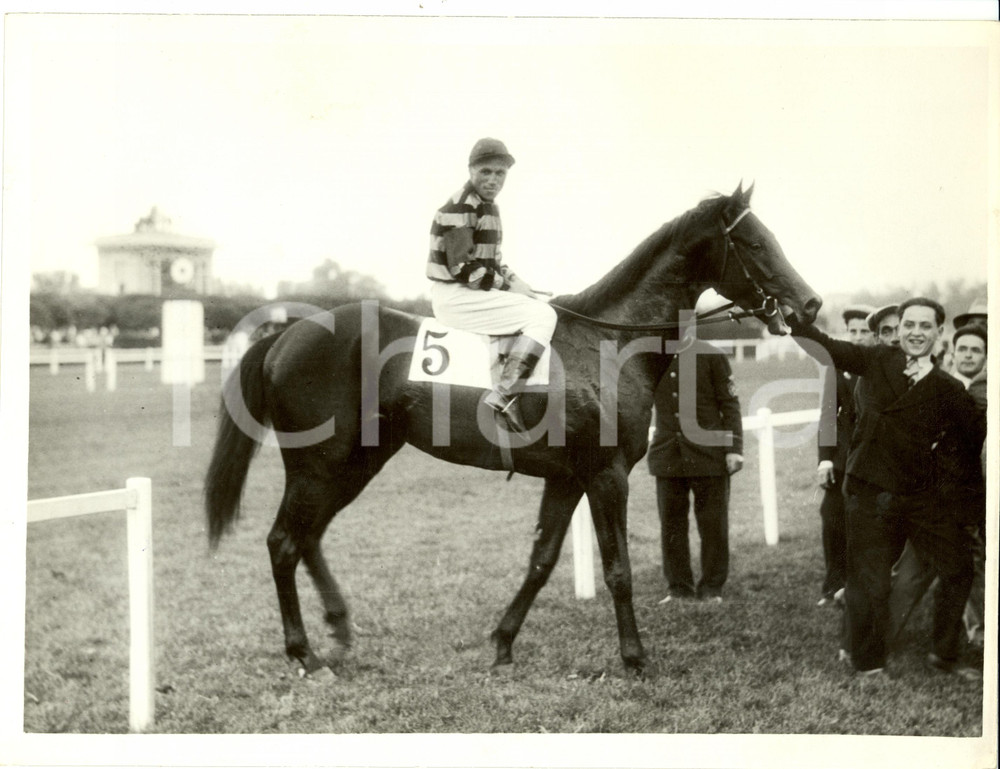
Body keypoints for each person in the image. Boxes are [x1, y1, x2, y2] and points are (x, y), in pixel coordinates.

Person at [790, 297, 984, 676]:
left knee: (959, 566)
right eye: (909, 324)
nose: (915, 333)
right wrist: (793, 322)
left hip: (919, 497)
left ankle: (944, 653)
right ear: (900, 330)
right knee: (871, 581)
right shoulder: (876, 360)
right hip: (869, 491)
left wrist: (964, 504)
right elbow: (827, 347)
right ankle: (867, 662)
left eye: (925, 326)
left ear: (938, 333)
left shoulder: (949, 389)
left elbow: (971, 443)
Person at [427, 138, 558, 434]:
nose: (493, 180)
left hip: (470, 292)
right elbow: (463, 268)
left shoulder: (488, 207)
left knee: (540, 307)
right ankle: (504, 395)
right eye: (486, 172)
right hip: (455, 296)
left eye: (500, 174)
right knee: (543, 317)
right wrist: (507, 287)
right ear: (471, 169)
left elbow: (492, 263)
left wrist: (517, 282)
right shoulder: (459, 206)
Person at [888, 323, 987, 653]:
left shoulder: (988, 391)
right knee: (917, 572)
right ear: (953, 353)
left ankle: (961, 640)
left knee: (959, 572)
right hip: (934, 500)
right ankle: (878, 636)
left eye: (976, 350)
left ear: (986, 357)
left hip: (969, 501)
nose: (969, 355)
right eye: (964, 349)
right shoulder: (939, 387)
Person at [647, 332, 743, 603]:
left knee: (713, 525)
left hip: (709, 455)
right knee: (671, 525)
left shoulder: (711, 355)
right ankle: (678, 589)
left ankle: (712, 587)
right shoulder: (655, 357)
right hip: (668, 455)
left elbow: (730, 405)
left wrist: (734, 449)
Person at [815, 305, 874, 607]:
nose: (858, 337)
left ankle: (860, 586)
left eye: (864, 332)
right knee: (832, 517)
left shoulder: (880, 366)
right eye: (853, 331)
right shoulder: (836, 367)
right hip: (841, 460)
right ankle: (833, 584)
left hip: (873, 462)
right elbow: (827, 414)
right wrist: (825, 458)